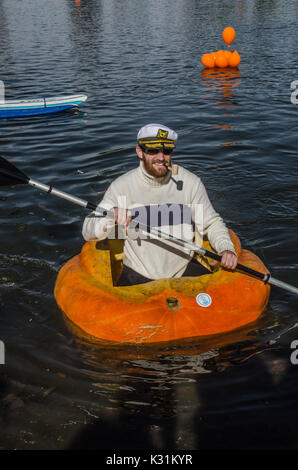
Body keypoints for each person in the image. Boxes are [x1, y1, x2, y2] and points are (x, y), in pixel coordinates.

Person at [82, 123, 238, 286]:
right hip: (137, 272)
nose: (161, 157)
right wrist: (111, 216)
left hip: (183, 268)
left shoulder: (191, 183)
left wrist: (226, 249)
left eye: (167, 151)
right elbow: (88, 231)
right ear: (139, 152)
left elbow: (212, 223)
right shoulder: (121, 187)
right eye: (152, 150)